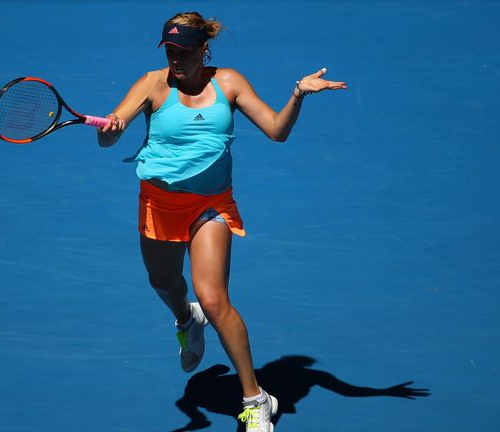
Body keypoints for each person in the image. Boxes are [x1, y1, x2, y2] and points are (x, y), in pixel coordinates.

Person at [96, 11, 346, 432]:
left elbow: (276, 130)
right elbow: (108, 137)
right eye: (170, 50)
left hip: (210, 206)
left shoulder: (229, 82)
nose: (176, 58)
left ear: (203, 49)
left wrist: (298, 93)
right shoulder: (151, 85)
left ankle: (255, 399)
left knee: (213, 298)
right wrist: (112, 126)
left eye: (185, 51)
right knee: (165, 284)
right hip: (158, 206)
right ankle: (184, 320)